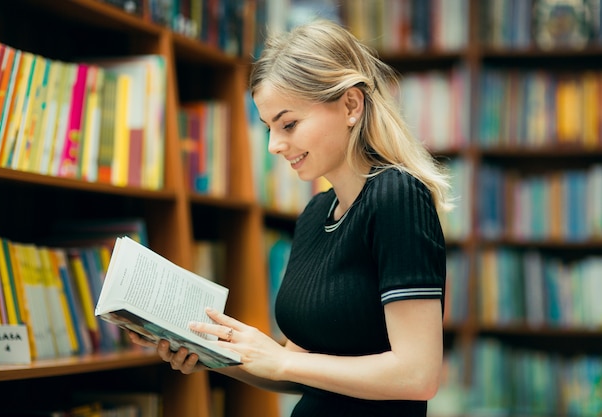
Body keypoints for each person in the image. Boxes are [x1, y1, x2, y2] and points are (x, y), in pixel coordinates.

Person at [130, 19, 452, 417]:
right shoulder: (315, 214)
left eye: (289, 124)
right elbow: (301, 371)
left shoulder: (397, 197)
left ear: (351, 104)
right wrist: (215, 352)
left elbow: (418, 375)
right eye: (268, 127)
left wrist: (281, 360)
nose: (274, 145)